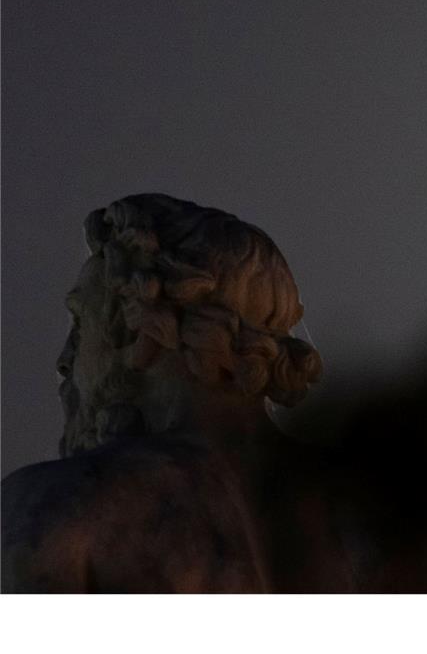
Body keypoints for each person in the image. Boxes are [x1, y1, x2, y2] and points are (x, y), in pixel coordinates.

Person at [1, 194, 346, 591]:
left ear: (139, 328)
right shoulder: (387, 508)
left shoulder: (55, 507)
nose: (65, 360)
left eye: (81, 322)